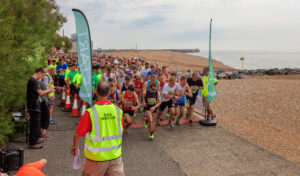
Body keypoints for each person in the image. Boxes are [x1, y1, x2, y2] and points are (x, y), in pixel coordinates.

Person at [71, 82, 124, 176]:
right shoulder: (118, 111)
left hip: (96, 159)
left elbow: (78, 134)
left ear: (95, 92)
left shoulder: (90, 113)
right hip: (115, 157)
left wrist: (75, 146)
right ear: (109, 92)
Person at [27, 67, 54, 149]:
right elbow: (40, 92)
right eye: (42, 75)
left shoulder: (32, 80)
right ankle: (32, 143)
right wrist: (49, 91)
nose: (41, 77)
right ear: (38, 73)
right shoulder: (34, 81)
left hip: (34, 104)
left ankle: (35, 138)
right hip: (34, 105)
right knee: (35, 124)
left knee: (37, 123)